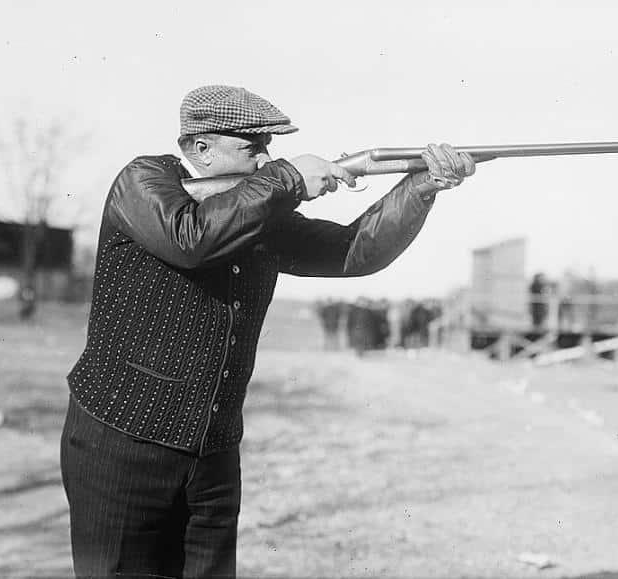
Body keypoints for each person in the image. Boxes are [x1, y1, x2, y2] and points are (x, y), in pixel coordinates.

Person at [59, 84, 476, 579]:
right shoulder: (143, 181)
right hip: (121, 444)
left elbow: (354, 251)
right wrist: (290, 178)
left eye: (269, 150)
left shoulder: (259, 210)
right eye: (251, 147)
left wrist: (420, 186)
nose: (263, 159)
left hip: (212, 454)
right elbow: (192, 239)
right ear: (200, 148)